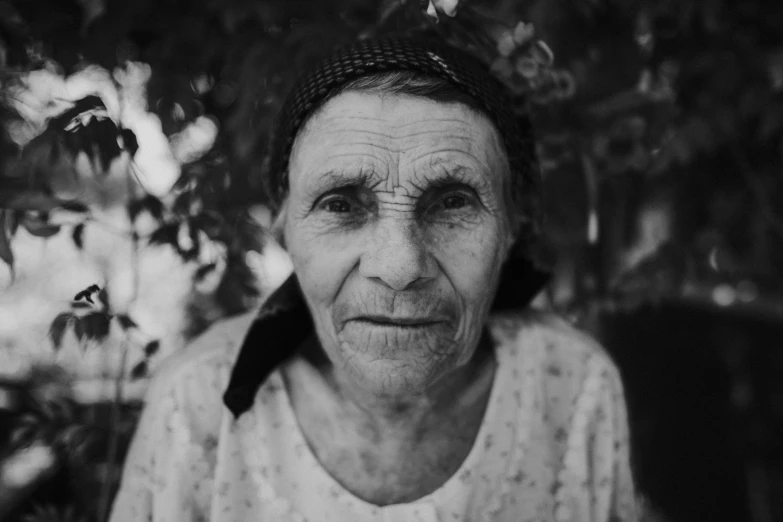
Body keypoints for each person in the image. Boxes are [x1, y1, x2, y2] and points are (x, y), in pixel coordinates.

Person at [109, 35, 637, 522]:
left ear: (510, 233)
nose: (400, 266)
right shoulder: (197, 402)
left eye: (453, 203)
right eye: (340, 204)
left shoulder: (573, 386)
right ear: (285, 230)